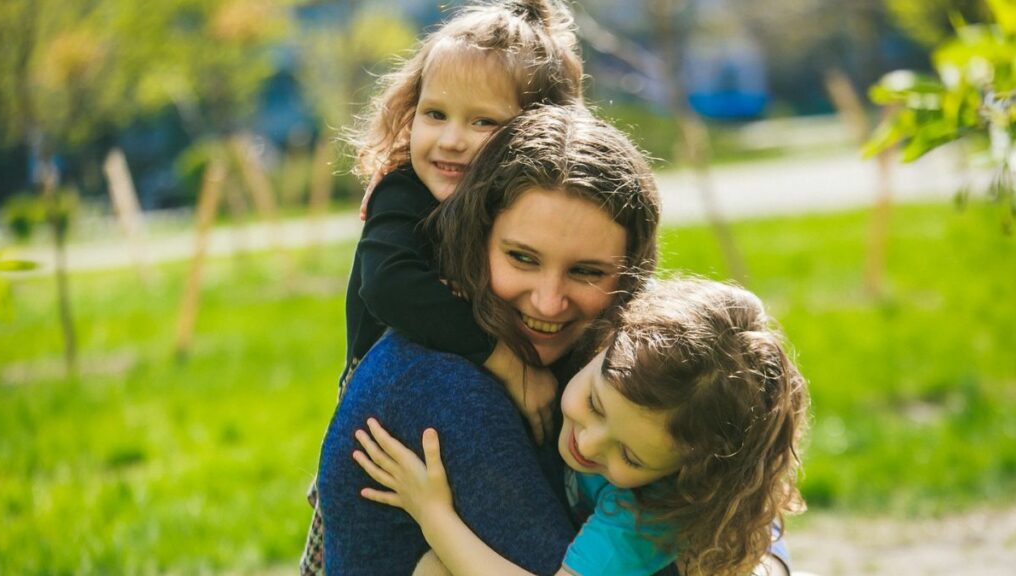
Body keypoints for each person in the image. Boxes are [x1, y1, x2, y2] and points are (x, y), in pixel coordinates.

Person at [318, 104, 661, 575]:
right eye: (522, 258)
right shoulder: (437, 386)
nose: (547, 302)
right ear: (475, 241)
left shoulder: (619, 360)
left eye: (586, 271)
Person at [300, 1, 584, 571]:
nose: (452, 140)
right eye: (435, 114)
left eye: (483, 123)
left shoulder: (521, 211)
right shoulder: (403, 194)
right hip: (393, 419)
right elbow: (390, 286)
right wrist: (504, 362)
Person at [353, 277, 810, 576]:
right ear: (608, 337)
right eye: (594, 402)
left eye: (631, 456)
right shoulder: (612, 346)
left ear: (689, 471)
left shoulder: (646, 516)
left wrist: (434, 514)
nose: (588, 443)